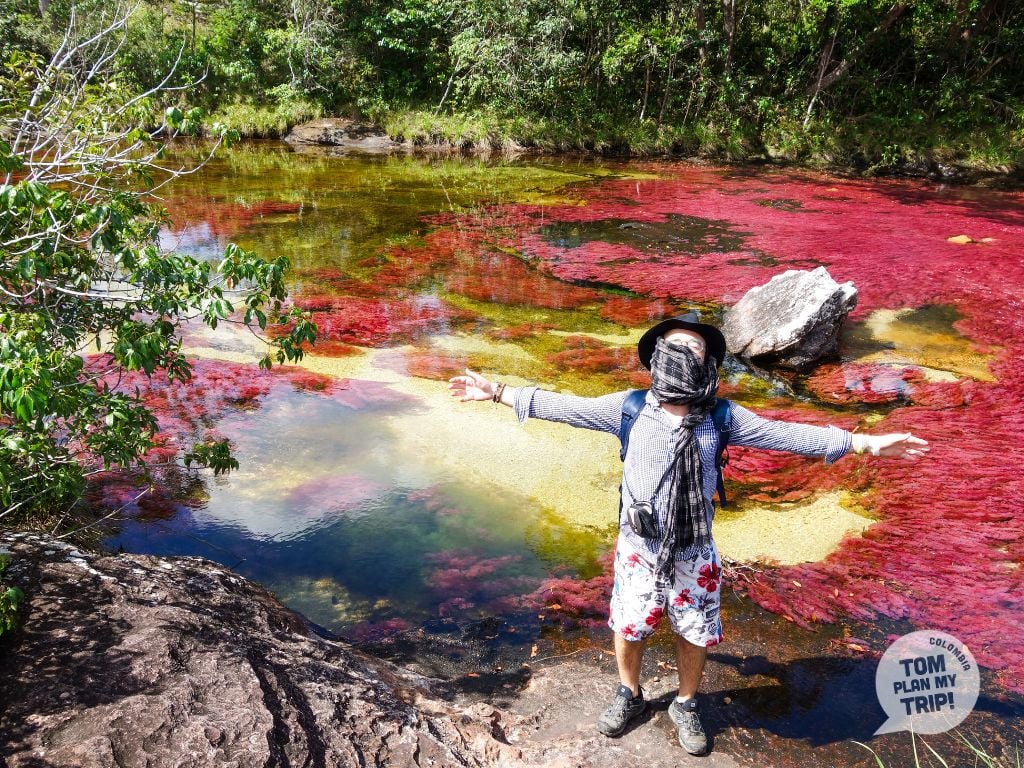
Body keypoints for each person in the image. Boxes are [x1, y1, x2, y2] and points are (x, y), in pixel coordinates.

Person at [447, 313, 928, 755]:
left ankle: (686, 702)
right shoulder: (628, 408)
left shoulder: (723, 417)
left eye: (692, 347)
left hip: (694, 550)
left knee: (694, 631)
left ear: (708, 363)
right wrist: (496, 391)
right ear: (655, 356)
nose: (680, 353)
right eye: (671, 345)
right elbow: (564, 406)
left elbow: (788, 434)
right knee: (629, 625)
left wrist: (865, 442)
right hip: (639, 547)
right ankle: (630, 693)